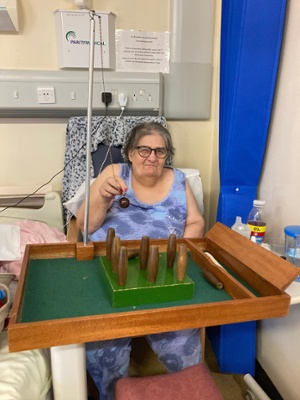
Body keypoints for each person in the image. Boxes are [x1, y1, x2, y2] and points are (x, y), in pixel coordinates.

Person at [76, 122, 205, 400]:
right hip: (112, 267)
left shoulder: (179, 179)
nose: (152, 157)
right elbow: (85, 225)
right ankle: (113, 394)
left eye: (160, 151)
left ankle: (189, 389)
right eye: (144, 149)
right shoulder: (113, 174)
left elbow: (196, 221)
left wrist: (180, 252)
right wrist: (101, 196)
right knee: (103, 346)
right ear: (130, 153)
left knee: (181, 340)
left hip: (163, 270)